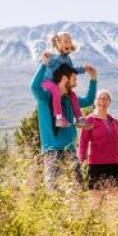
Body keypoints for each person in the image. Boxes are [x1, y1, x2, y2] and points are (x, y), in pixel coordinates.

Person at [30, 62, 97, 191]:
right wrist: (44, 64)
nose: (76, 80)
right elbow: (34, 88)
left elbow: (89, 100)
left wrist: (93, 79)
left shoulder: (70, 99)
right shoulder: (46, 97)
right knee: (54, 192)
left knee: (78, 191)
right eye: (74, 77)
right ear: (65, 78)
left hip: (71, 151)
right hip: (54, 151)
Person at [78, 90, 118, 190]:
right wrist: (81, 160)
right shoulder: (89, 120)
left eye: (105, 99)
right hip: (96, 165)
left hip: (115, 165)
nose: (102, 101)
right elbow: (83, 141)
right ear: (95, 102)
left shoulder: (115, 122)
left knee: (114, 201)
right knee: (95, 200)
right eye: (99, 98)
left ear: (109, 102)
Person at [42, 31, 90, 128]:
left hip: (58, 84)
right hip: (47, 82)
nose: (69, 44)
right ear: (58, 43)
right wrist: (46, 58)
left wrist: (83, 69)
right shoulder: (54, 55)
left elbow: (72, 71)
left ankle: (79, 119)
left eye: (69, 42)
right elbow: (47, 63)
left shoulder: (67, 59)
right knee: (55, 90)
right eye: (66, 42)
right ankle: (59, 118)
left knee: (72, 94)